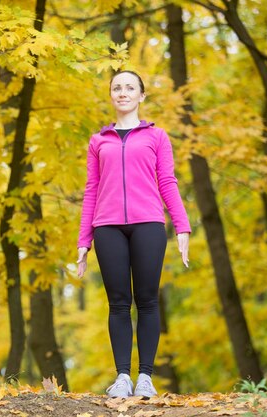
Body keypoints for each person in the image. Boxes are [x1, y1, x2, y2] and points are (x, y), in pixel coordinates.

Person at [76, 70, 191, 399]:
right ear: (111, 96)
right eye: (117, 88)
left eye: (129, 88)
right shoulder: (99, 141)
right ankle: (123, 377)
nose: (122, 92)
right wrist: (84, 240)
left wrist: (181, 225)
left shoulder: (157, 137)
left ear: (142, 96)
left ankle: (145, 378)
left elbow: (167, 182)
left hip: (148, 225)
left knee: (148, 301)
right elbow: (91, 190)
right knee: (118, 304)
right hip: (107, 227)